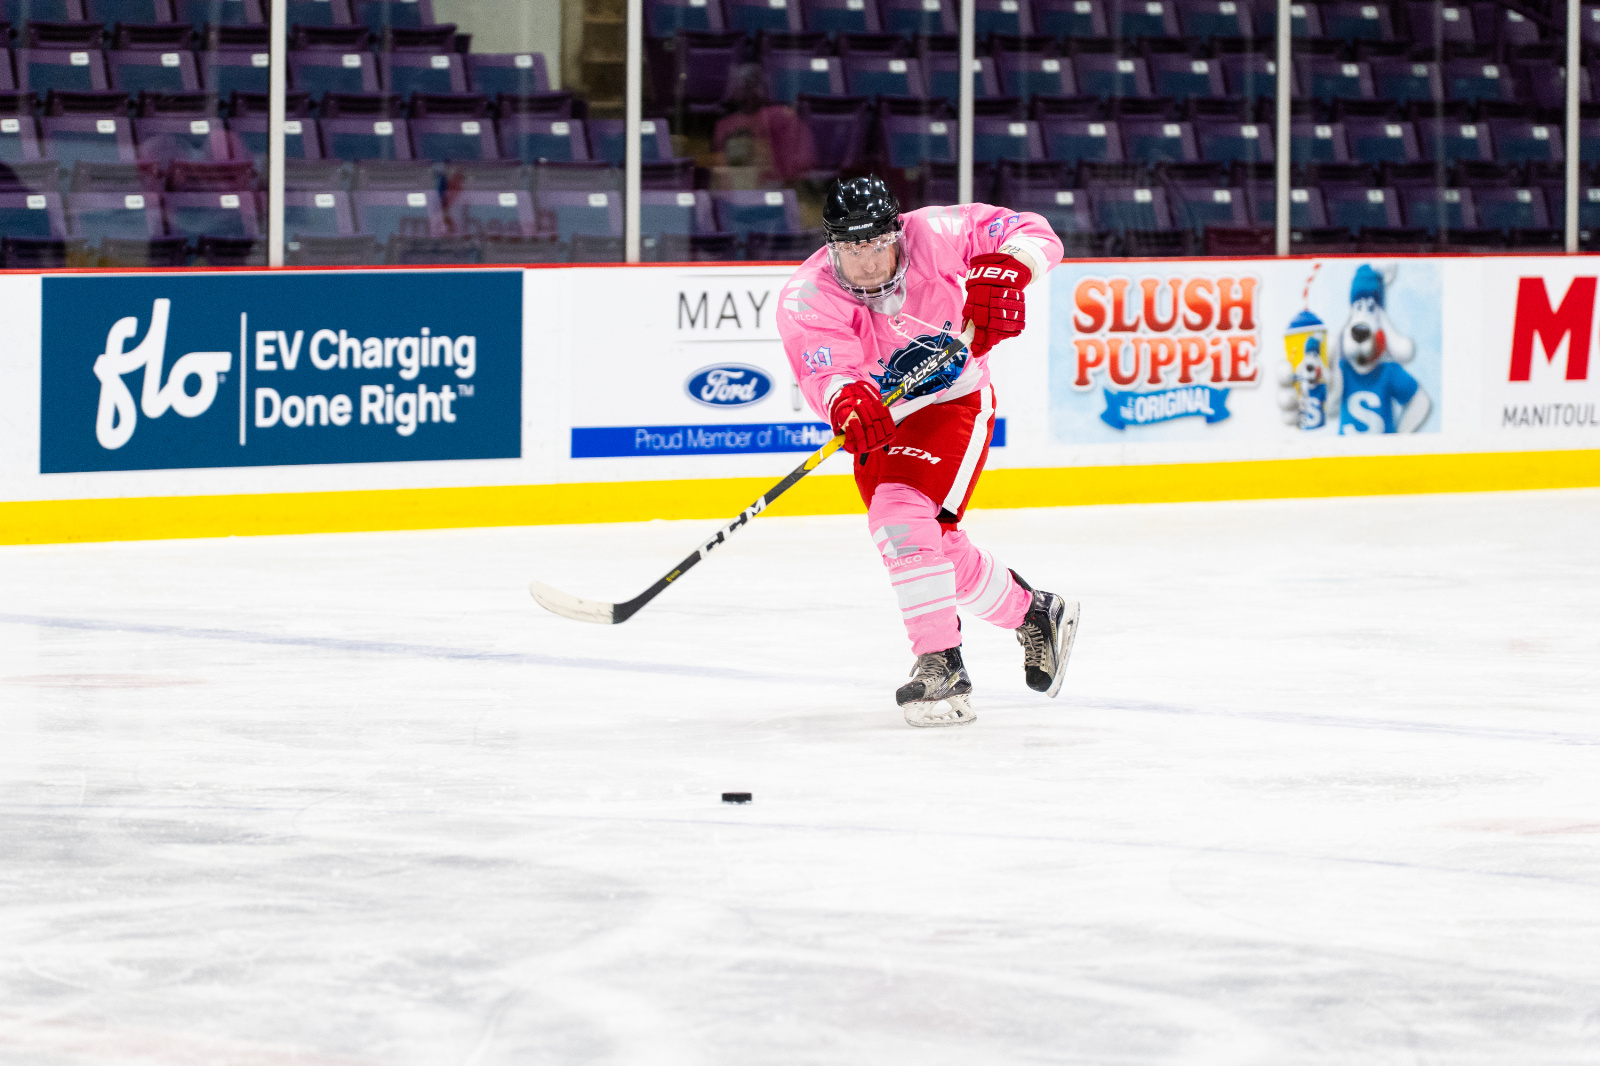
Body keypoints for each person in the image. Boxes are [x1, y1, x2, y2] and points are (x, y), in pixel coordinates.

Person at [776, 175, 1080, 728]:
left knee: (899, 520)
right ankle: (1034, 612)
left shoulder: (936, 231)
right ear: (831, 247)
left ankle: (941, 663)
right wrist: (846, 402)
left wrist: (1008, 268)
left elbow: (1034, 232)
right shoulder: (808, 296)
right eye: (850, 249)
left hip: (953, 401)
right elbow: (826, 370)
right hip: (883, 418)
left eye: (875, 244)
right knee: (928, 544)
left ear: (897, 232)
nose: (866, 263)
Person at [712, 65, 816, 187]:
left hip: (782, 189)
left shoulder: (785, 118)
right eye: (745, 85)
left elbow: (803, 165)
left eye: (753, 84)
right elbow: (723, 177)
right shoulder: (723, 127)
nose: (749, 93)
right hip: (742, 191)